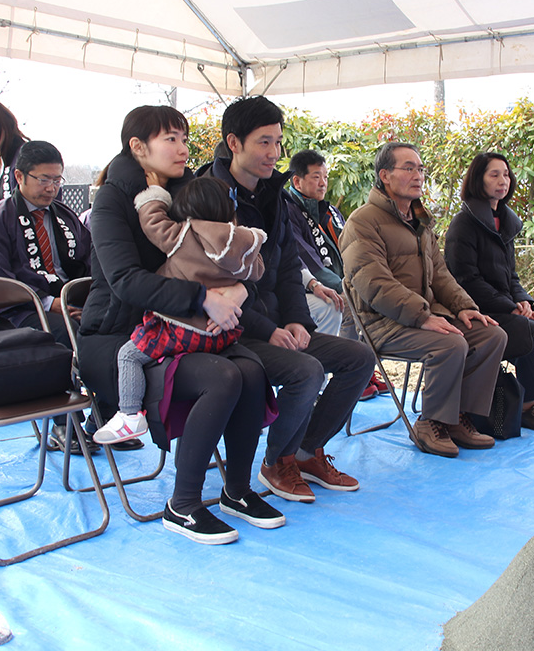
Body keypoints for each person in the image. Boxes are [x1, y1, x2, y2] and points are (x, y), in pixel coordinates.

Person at [78, 104, 283, 544]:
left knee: (251, 371)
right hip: (125, 336)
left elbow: (241, 252)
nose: (183, 148)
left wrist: (238, 292)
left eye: (185, 138)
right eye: (171, 138)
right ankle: (183, 505)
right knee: (225, 375)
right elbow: (125, 282)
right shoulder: (112, 201)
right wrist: (204, 298)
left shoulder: (193, 189)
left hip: (189, 328)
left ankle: (237, 490)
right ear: (138, 146)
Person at [201, 96, 375, 503]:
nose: (274, 153)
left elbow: (286, 267)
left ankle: (304, 450)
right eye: (264, 142)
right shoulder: (207, 196)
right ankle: (276, 461)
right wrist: (270, 329)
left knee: (358, 359)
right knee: (307, 370)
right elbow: (218, 282)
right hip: (232, 332)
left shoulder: (273, 195)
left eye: (278, 142)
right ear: (234, 143)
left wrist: (299, 322)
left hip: (279, 325)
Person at [339, 141, 507, 458]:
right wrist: (423, 316)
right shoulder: (363, 222)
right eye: (409, 168)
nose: (418, 175)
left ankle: (457, 417)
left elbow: (441, 275)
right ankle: (431, 422)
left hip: (421, 317)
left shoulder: (420, 222)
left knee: (491, 335)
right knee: (451, 343)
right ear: (385, 175)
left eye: (420, 168)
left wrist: (466, 308)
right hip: (382, 323)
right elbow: (374, 283)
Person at [96, 176, 268, 444]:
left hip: (178, 328)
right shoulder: (241, 240)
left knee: (129, 354)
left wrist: (154, 193)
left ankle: (129, 415)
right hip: (220, 335)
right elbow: (258, 270)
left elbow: (152, 222)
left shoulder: (183, 234)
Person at [0, 140, 99, 452]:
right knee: (65, 333)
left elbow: (91, 261)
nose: (51, 188)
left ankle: (103, 417)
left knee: (111, 324)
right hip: (20, 309)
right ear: (19, 176)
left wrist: (87, 300)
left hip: (70, 302)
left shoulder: (66, 216)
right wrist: (50, 303)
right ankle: (64, 424)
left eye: (57, 180)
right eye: (43, 179)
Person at [444, 152, 534, 432]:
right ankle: (528, 408)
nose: (504, 181)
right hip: (473, 308)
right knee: (528, 329)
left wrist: (522, 299)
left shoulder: (503, 221)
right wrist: (508, 305)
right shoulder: (463, 224)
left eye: (506, 174)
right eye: (494, 175)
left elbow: (510, 275)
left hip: (501, 305)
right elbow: (465, 279)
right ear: (478, 179)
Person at [284, 149, 386, 398]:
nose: (323, 183)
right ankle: (350, 373)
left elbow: (351, 250)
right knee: (345, 302)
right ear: (296, 181)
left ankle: (363, 368)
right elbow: (304, 258)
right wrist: (348, 286)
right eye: (316, 177)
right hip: (306, 285)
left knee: (374, 300)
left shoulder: (329, 212)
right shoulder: (288, 210)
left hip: (342, 279)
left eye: (326, 177)